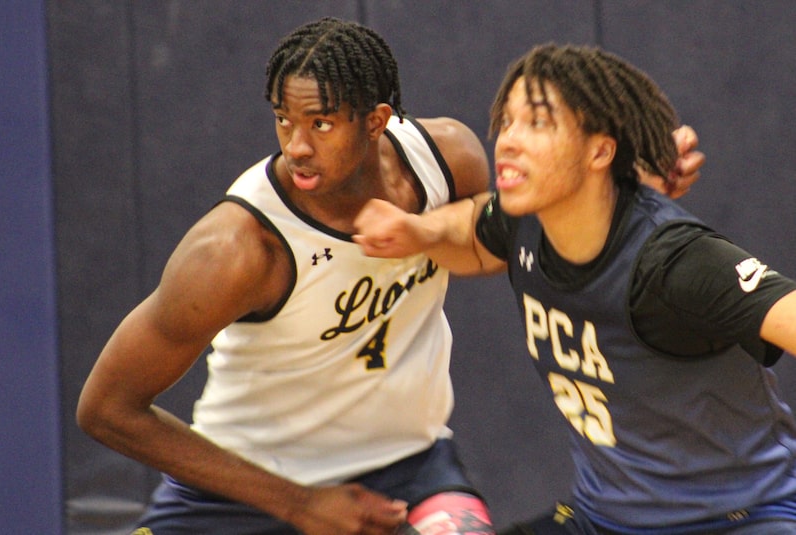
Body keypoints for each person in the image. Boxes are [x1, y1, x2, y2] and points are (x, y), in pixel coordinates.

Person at [77, 17, 702, 535]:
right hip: (238, 494)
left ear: (375, 121)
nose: (296, 145)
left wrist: (633, 202)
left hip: (407, 471)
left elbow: (529, 252)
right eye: (283, 120)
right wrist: (297, 503)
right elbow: (106, 409)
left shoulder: (448, 160)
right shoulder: (237, 249)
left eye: (320, 123)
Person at [353, 43, 796, 534]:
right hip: (601, 521)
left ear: (600, 150)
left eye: (537, 123)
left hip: (737, 519)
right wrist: (420, 233)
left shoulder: (672, 260)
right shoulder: (524, 223)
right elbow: (474, 230)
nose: (508, 140)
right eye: (508, 121)